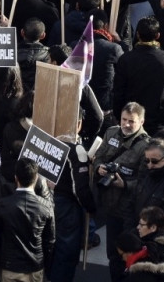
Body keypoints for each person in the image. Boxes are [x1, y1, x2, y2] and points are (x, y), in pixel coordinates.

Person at [93, 102, 150, 272]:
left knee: (130, 255)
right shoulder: (111, 132)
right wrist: (99, 168)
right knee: (113, 253)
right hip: (110, 207)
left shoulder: (146, 146)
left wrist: (124, 184)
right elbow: (98, 157)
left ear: (141, 122)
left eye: (131, 121)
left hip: (129, 211)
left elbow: (145, 182)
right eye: (124, 119)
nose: (126, 124)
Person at [48, 110, 98, 282]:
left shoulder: (47, 141)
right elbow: (80, 189)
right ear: (78, 124)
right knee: (66, 254)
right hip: (67, 208)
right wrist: (91, 207)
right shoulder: (76, 150)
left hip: (46, 202)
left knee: (50, 250)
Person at [0, 158, 55, 281]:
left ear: (16, 178)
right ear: (36, 178)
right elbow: (50, 241)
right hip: (35, 266)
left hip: (9, 266)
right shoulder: (45, 206)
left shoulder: (3, 205)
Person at [112, 16, 164, 135]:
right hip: (158, 123)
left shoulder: (126, 59)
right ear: (157, 36)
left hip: (130, 121)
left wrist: (120, 117)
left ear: (138, 35)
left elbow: (118, 92)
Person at [126, 139, 164, 230]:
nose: (150, 165)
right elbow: (132, 203)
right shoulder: (146, 173)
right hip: (137, 230)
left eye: (155, 161)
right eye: (147, 160)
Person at [16, 17, 51, 93]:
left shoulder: (11, 53)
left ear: (22, 32)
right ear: (43, 35)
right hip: (37, 96)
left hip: (16, 95)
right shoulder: (48, 55)